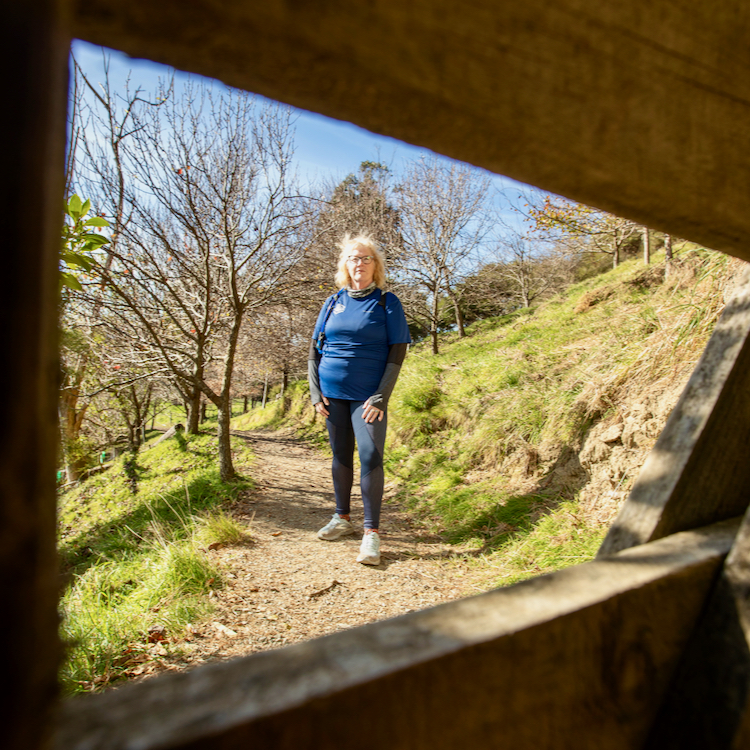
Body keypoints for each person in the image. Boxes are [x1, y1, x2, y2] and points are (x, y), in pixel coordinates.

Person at [308, 234, 411, 565]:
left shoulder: (386, 302)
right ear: (345, 265)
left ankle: (371, 534)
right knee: (340, 455)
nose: (360, 264)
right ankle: (342, 519)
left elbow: (398, 351)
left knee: (369, 455)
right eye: (354, 258)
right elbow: (314, 349)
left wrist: (381, 396)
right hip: (331, 393)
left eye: (366, 258)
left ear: (376, 266)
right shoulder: (332, 302)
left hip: (369, 396)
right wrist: (314, 392)